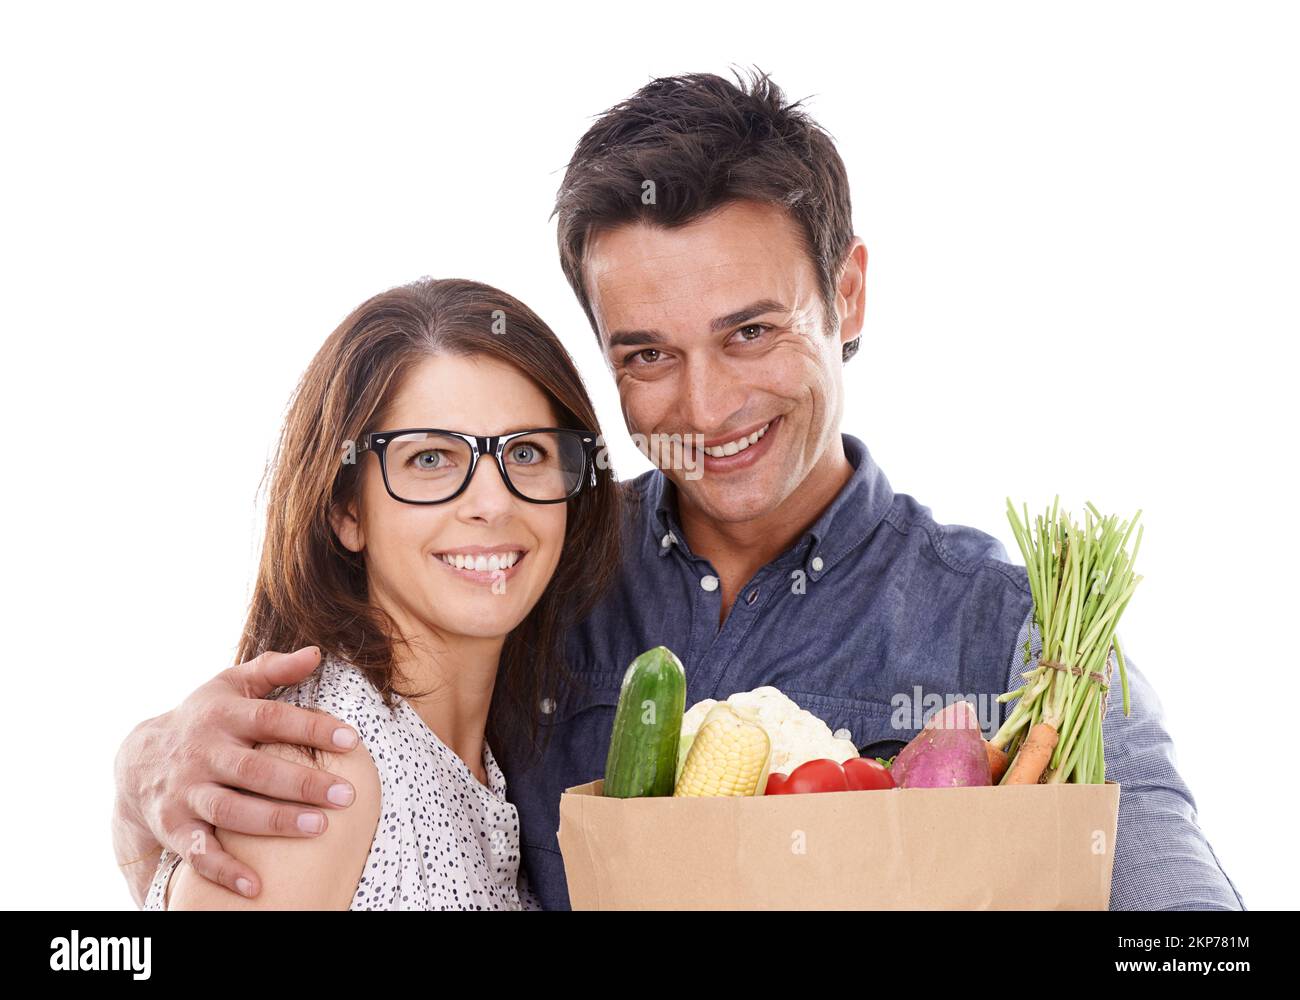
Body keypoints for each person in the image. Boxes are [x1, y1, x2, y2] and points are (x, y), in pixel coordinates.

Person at [114, 71, 1244, 910]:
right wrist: (143, 767)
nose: (704, 410)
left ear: (846, 294)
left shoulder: (1013, 637)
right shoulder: (535, 564)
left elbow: (1185, 917)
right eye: (647, 354)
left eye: (750, 331)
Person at [133, 277, 621, 908]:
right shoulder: (320, 768)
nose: (493, 502)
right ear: (347, 511)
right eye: (430, 459)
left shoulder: (485, 769)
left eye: (526, 451)